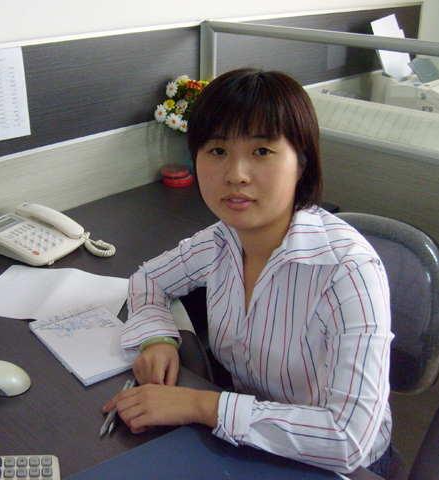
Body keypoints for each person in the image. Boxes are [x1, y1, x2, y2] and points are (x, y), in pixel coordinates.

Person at [103, 67, 393, 477]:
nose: (236, 174)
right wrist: (156, 339)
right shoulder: (222, 239)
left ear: (301, 163)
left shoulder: (347, 271)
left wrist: (200, 405)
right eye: (217, 150)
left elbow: (348, 438)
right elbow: (149, 279)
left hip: (336, 465)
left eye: (262, 151)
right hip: (248, 442)